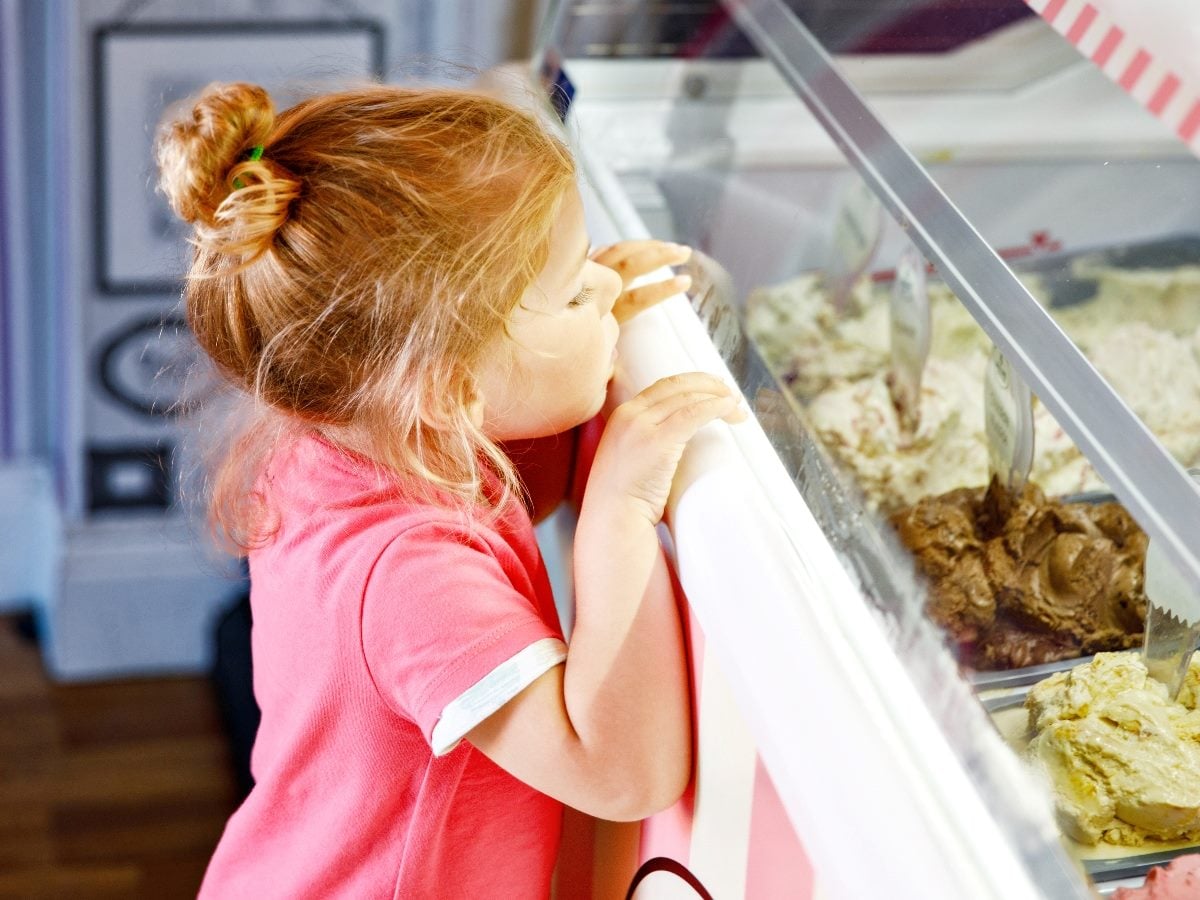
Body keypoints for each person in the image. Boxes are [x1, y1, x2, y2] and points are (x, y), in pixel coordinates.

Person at [155, 80, 745, 898]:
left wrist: (585, 318)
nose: (606, 291)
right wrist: (620, 517)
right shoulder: (404, 579)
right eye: (575, 292)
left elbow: (507, 491)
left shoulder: (356, 433)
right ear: (452, 390)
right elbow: (619, 774)